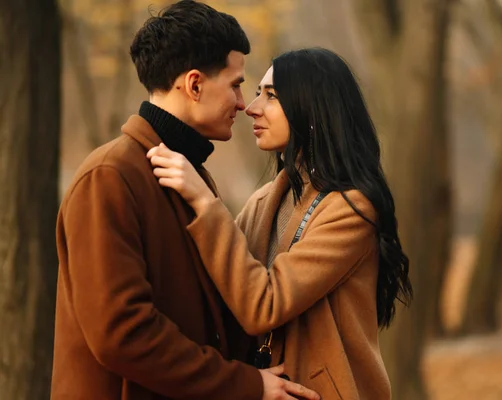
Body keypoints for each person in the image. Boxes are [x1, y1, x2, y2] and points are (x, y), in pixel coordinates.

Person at [51, 1, 319, 399]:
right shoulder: (109, 177)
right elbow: (121, 334)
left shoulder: (187, 176)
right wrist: (245, 385)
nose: (243, 103)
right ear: (194, 85)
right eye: (235, 84)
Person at [147, 47, 413, 400]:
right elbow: (222, 285)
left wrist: (204, 202)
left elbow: (264, 305)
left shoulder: (351, 210)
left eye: (270, 96)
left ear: (311, 107)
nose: (252, 107)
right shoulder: (263, 202)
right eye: (257, 93)